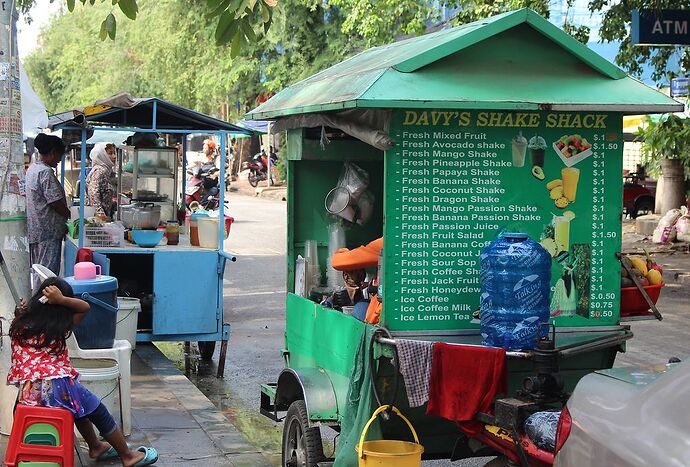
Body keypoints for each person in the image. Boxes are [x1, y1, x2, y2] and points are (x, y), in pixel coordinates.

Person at [8, 278, 159, 467]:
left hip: (28, 394)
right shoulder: (59, 327)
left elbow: (24, 320)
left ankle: (95, 446)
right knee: (98, 411)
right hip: (57, 385)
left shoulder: (19, 326)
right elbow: (84, 307)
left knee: (80, 408)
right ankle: (127, 456)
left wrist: (20, 313)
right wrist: (62, 300)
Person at [26, 133, 69, 275]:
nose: (59, 160)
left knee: (39, 273)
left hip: (37, 230)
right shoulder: (45, 172)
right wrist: (70, 215)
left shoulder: (33, 169)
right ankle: (44, 298)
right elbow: (55, 201)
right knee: (47, 276)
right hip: (47, 233)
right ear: (52, 153)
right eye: (59, 155)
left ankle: (38, 297)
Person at [86, 143, 116, 219]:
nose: (114, 156)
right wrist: (101, 217)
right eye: (110, 154)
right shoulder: (99, 171)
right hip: (98, 220)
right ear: (101, 155)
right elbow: (93, 195)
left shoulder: (106, 170)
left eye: (114, 153)